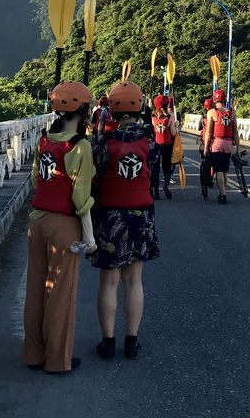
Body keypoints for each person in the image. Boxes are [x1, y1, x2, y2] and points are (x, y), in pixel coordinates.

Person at [23, 81, 96, 374]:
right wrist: (90, 236)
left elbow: (35, 180)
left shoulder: (45, 139)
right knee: (61, 294)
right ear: (82, 109)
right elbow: (81, 197)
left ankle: (33, 354)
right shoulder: (80, 146)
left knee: (36, 289)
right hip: (64, 226)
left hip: (37, 221)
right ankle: (57, 360)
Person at [91, 81, 160, 360]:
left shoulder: (103, 141)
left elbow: (95, 173)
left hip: (110, 215)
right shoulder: (150, 138)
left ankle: (107, 342)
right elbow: (153, 167)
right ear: (140, 106)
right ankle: (131, 341)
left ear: (112, 107)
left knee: (109, 281)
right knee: (134, 280)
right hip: (141, 213)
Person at [202, 89, 239, 205]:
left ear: (214, 99)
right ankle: (223, 190)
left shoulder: (212, 112)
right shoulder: (232, 112)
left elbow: (208, 132)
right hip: (228, 144)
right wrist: (238, 147)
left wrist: (205, 147)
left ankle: (222, 195)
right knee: (225, 171)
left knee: (218, 171)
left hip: (217, 143)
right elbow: (235, 133)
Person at [150, 95, 176, 200]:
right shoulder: (170, 117)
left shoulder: (153, 117)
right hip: (167, 144)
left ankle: (156, 191)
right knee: (166, 166)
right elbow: (173, 133)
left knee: (155, 168)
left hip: (157, 144)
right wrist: (176, 126)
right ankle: (166, 185)